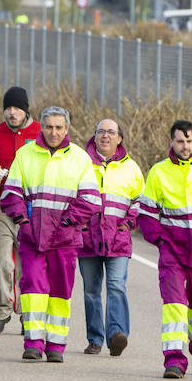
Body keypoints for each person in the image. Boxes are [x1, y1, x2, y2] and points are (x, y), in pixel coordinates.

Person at [1, 106, 99, 363]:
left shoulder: (80, 158)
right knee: (33, 287)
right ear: (41, 127)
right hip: (32, 237)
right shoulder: (25, 154)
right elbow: (11, 193)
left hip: (65, 239)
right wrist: (23, 221)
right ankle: (33, 342)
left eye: (59, 127)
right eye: (49, 127)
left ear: (67, 129)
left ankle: (56, 345)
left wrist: (67, 221)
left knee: (60, 292)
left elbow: (90, 199)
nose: (53, 132)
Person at [138, 120, 192, 379]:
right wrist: (161, 241)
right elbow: (147, 214)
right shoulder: (158, 172)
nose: (185, 146)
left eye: (188, 141)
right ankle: (174, 361)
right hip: (172, 252)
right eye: (179, 141)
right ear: (171, 143)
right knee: (174, 304)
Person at [78, 118, 143, 356]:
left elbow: (138, 202)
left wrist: (127, 226)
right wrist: (81, 227)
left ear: (120, 138)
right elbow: (73, 197)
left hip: (118, 239)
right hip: (87, 239)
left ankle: (117, 334)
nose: (105, 136)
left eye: (111, 132)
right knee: (91, 291)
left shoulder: (132, 168)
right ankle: (95, 338)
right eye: (101, 131)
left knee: (116, 285)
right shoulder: (81, 163)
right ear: (95, 136)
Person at [0, 86, 41, 334]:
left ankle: (28, 313)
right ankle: (1, 310)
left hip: (31, 206)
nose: (12, 113)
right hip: (0, 202)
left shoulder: (41, 133)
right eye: (8, 108)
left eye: (16, 108)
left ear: (26, 109)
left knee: (29, 262)